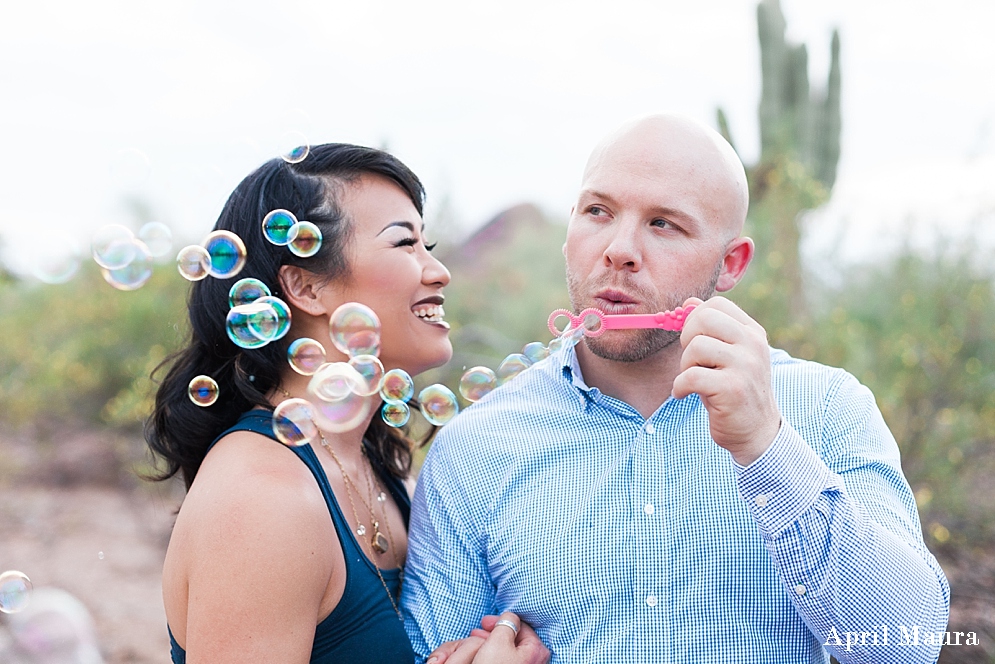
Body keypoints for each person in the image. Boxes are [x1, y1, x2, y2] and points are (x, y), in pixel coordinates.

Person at [402, 116, 951, 664]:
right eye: (598, 211)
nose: (619, 249)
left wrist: (766, 446)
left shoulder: (830, 408)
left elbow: (910, 647)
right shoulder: (472, 448)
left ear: (730, 264)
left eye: (664, 224)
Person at [145, 144, 548, 664]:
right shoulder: (262, 499)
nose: (438, 271)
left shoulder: (379, 470)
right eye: (405, 243)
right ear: (307, 287)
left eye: (429, 244)